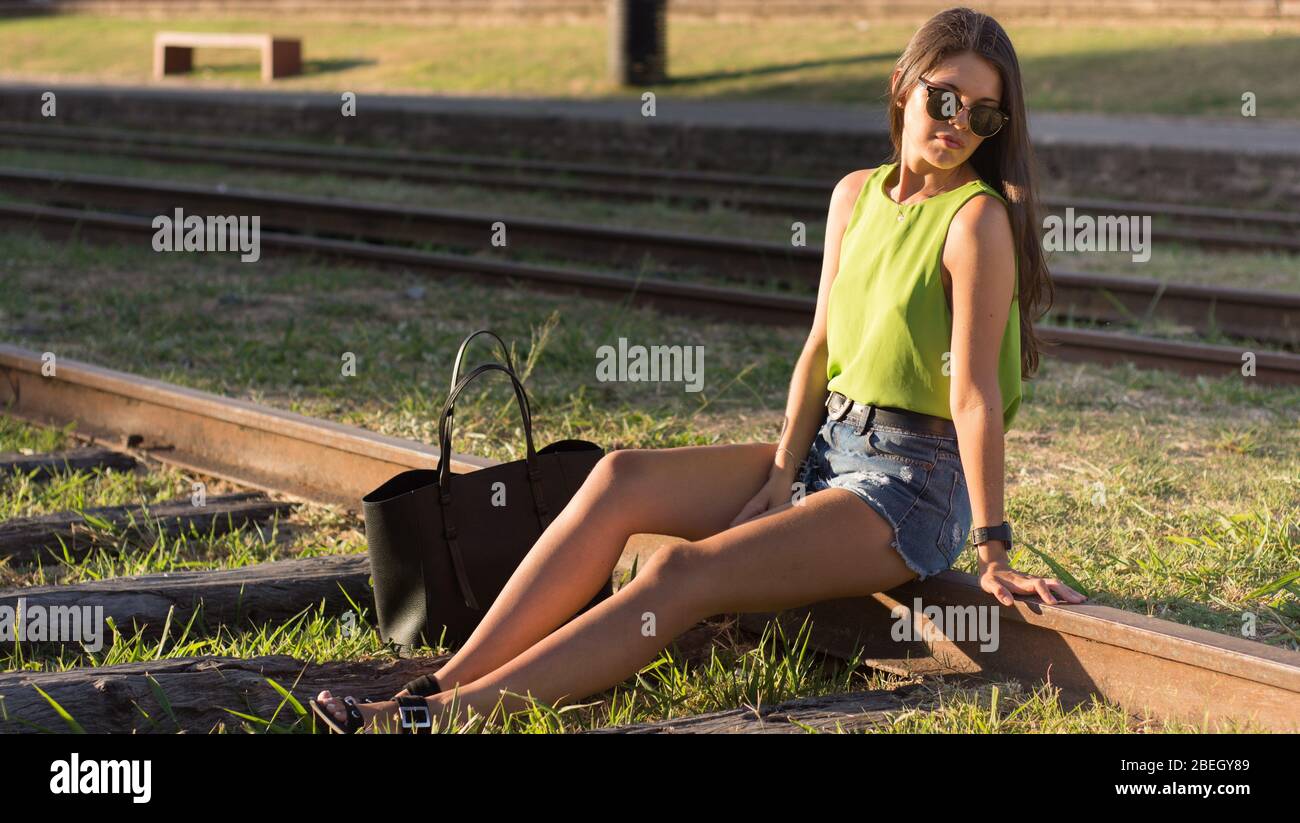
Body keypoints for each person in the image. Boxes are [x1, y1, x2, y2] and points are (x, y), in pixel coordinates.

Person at [312, 6, 1087, 734]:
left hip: (911, 486)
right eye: (944, 100)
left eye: (983, 116)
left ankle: (439, 720)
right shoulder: (855, 196)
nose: (959, 126)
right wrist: (783, 471)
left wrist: (993, 550)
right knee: (617, 476)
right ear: (903, 85)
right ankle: (441, 680)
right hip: (830, 450)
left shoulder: (976, 220)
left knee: (679, 570)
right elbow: (820, 345)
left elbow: (974, 395)